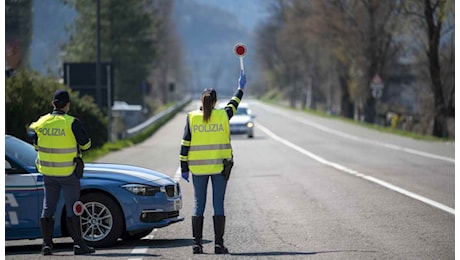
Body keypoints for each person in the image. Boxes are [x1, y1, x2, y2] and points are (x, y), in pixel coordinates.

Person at [180, 70, 246, 254]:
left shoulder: (192, 117)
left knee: (198, 205)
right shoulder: (223, 115)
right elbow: (234, 103)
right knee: (218, 205)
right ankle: (218, 245)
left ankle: (196, 245)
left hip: (197, 170)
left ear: (202, 101)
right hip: (219, 168)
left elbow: (185, 143)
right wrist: (240, 88)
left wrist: (184, 167)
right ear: (215, 102)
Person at [28, 89, 95, 256]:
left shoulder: (41, 122)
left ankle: (47, 245)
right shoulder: (72, 122)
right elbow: (86, 145)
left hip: (48, 172)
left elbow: (36, 146)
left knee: (48, 206)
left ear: (52, 104)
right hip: (68, 172)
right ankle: (79, 244)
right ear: (68, 105)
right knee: (74, 207)